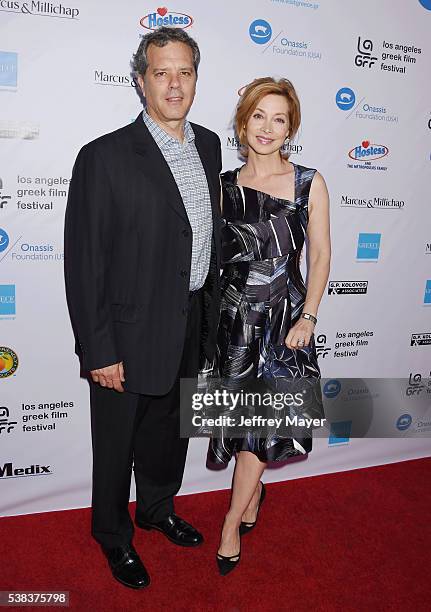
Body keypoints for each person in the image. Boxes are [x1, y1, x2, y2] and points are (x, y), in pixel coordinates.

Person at [64, 27, 222, 589]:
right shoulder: (102, 156)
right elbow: (85, 264)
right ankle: (111, 533)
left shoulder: (208, 144)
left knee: (168, 433)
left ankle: (157, 510)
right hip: (125, 335)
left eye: (185, 72)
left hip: (188, 321)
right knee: (115, 445)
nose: (174, 84)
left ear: (196, 80)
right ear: (141, 82)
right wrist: (99, 347)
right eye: (162, 73)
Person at [209, 77, 330, 575]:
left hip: (284, 323)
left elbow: (320, 254)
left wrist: (309, 317)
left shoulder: (308, 182)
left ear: (290, 128)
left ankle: (230, 523)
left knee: (262, 428)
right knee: (241, 426)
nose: (267, 127)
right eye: (259, 115)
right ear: (243, 120)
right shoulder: (222, 186)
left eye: (279, 119)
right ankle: (254, 492)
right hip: (235, 321)